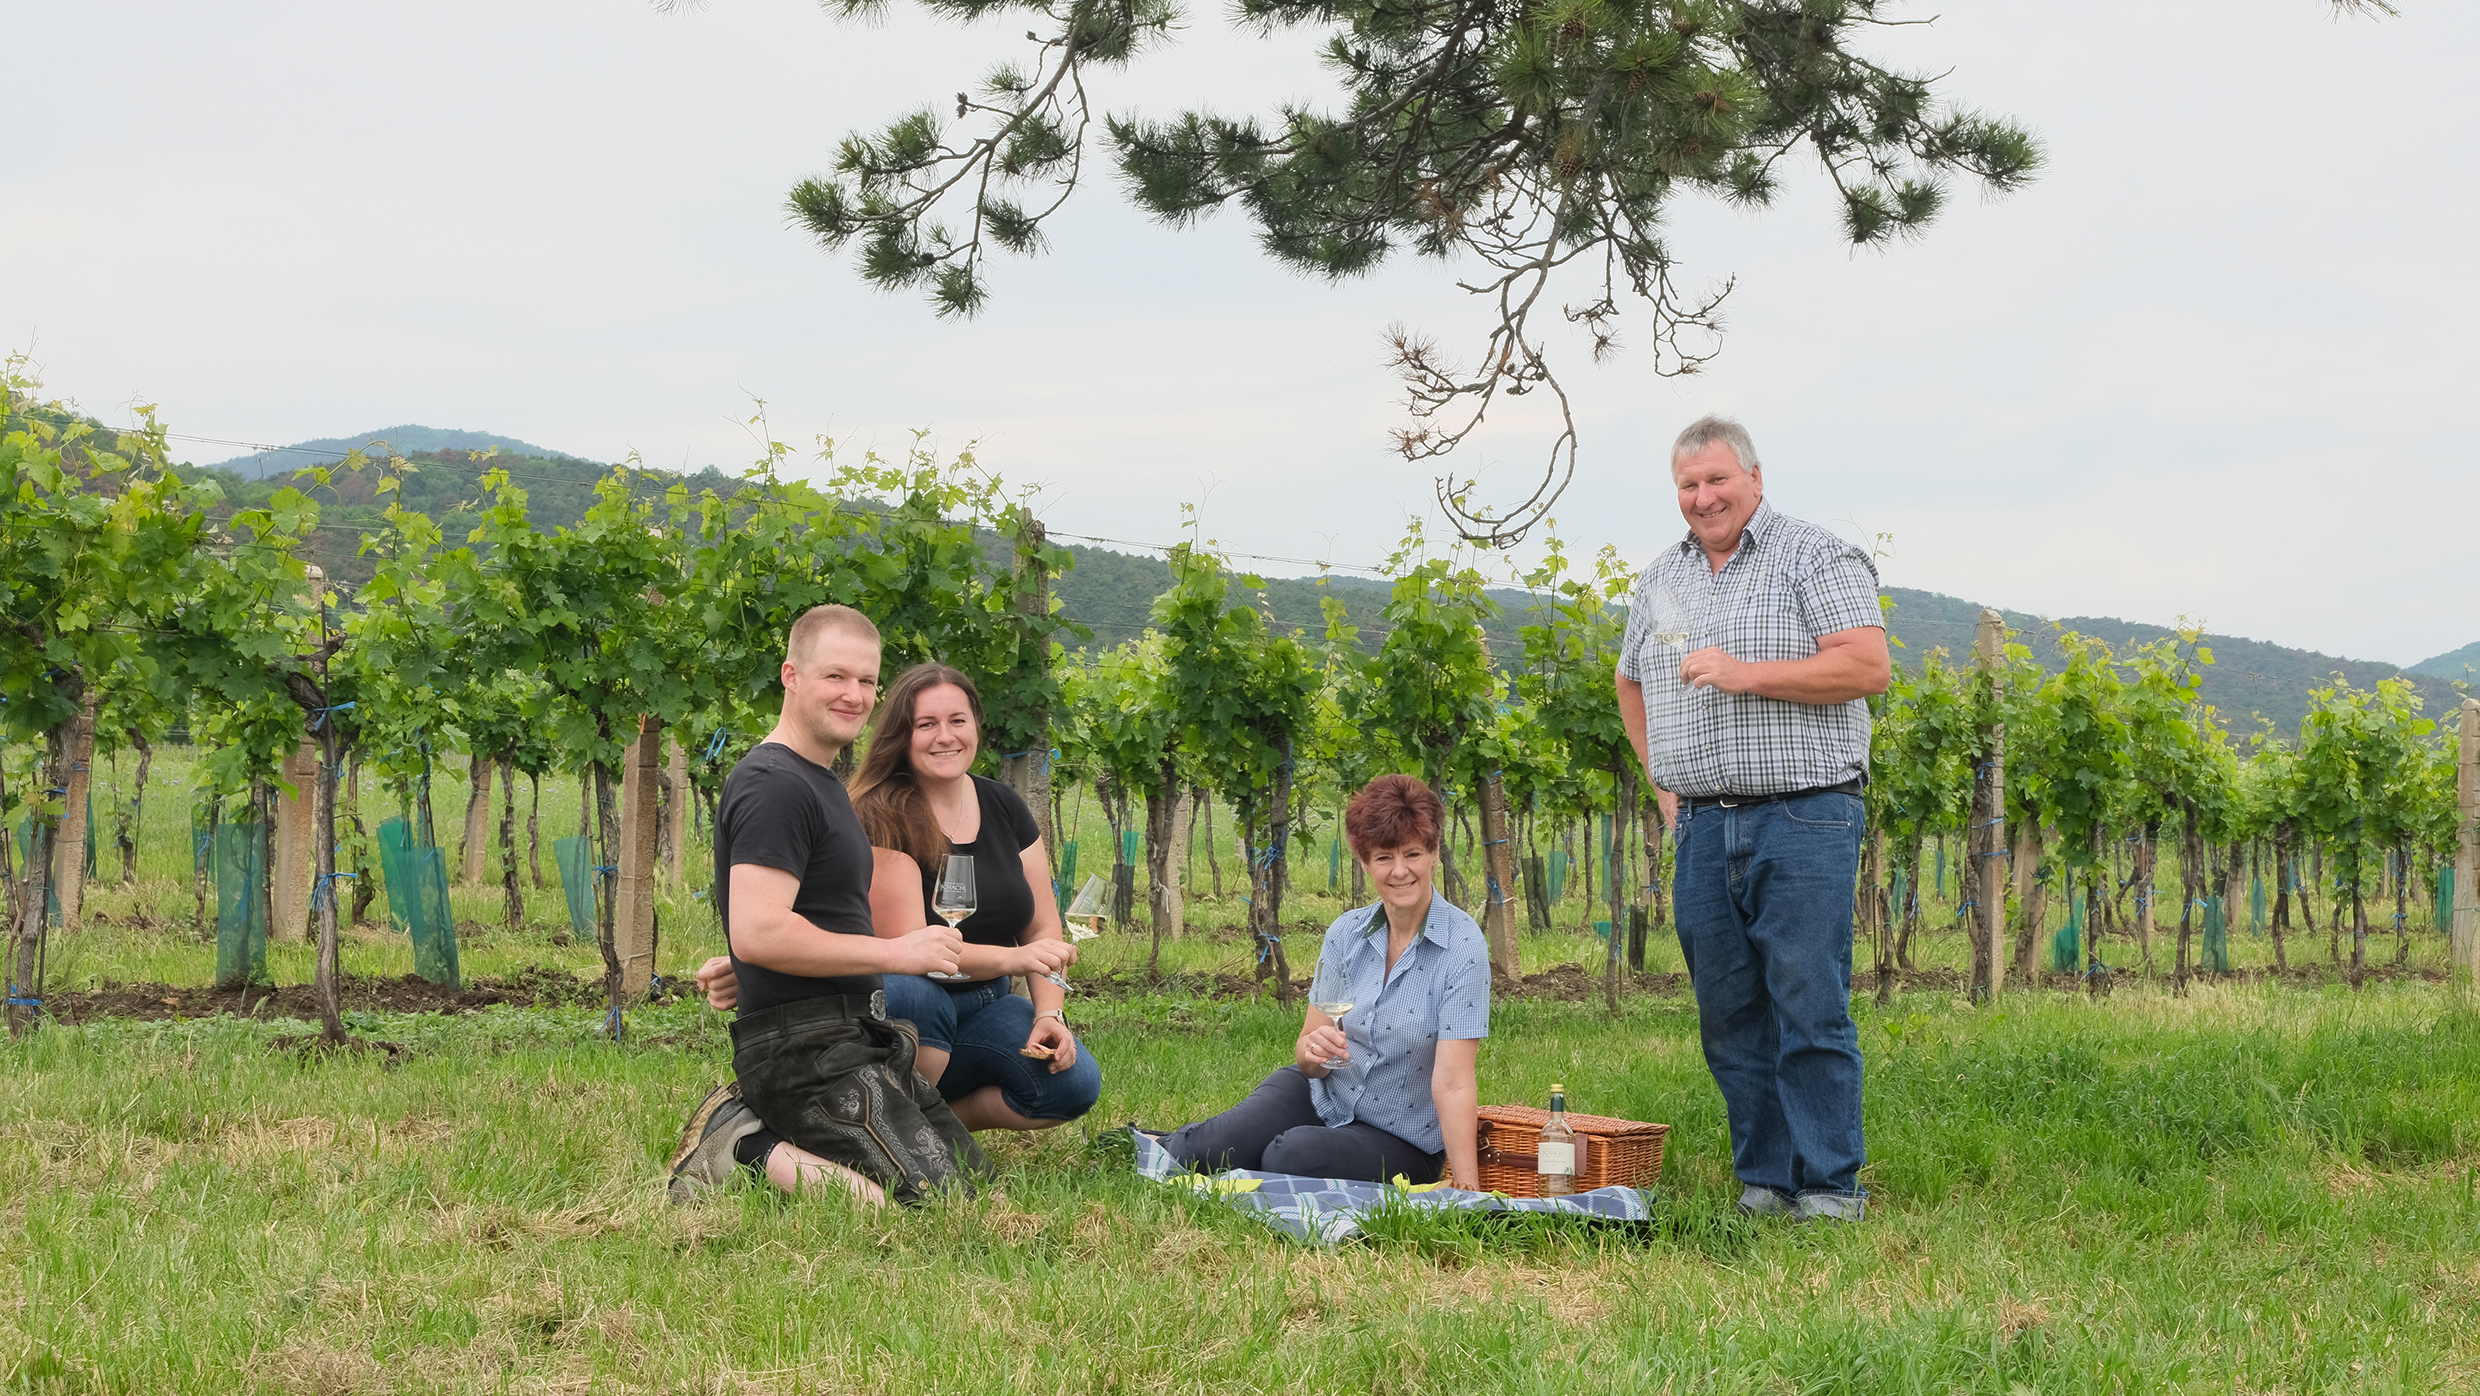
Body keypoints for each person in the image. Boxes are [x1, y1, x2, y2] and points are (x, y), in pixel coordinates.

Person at [1615, 416, 1891, 1224]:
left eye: (1716, 480)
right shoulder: (1660, 578)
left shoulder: (1814, 555)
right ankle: (1767, 1181)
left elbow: (1866, 666)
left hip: (1803, 813)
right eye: (1688, 485)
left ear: (1754, 479)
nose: (1703, 498)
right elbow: (1630, 680)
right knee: (1729, 1009)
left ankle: (1830, 1185)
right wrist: (1660, 779)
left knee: (1808, 1000)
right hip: (1703, 825)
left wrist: (1748, 674)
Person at [665, 604, 984, 1208]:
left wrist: (748, 965)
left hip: (852, 1032)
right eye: (835, 676)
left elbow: (792, 918)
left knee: (970, 1184)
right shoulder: (775, 783)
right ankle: (741, 1142)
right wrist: (897, 952)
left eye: (866, 680)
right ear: (791, 676)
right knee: (923, 1207)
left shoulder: (820, 780)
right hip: (801, 1050)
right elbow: (762, 930)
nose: (854, 695)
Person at [694, 663, 1099, 1137]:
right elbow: (916, 953)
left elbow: (1042, 929)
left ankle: (934, 1127)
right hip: (902, 1006)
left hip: (985, 999)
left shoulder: (1004, 806)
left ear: (976, 725)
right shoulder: (876, 815)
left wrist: (1050, 1013)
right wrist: (1013, 959)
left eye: (958, 720)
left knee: (1071, 1083)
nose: (945, 736)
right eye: (926, 724)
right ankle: (897, 1130)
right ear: (901, 736)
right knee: (919, 995)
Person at [1154, 775, 1486, 1188]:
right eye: (1384, 857)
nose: (1400, 871)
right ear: (1365, 863)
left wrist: (1469, 1191)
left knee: (1291, 1157)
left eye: (1413, 854)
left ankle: (1265, 1155)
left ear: (1434, 854)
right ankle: (1171, 1141)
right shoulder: (1346, 933)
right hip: (1321, 1095)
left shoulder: (1462, 947)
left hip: (1401, 1138)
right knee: (1201, 1154)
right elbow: (1308, 1052)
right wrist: (1315, 1052)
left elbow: (1454, 1083)